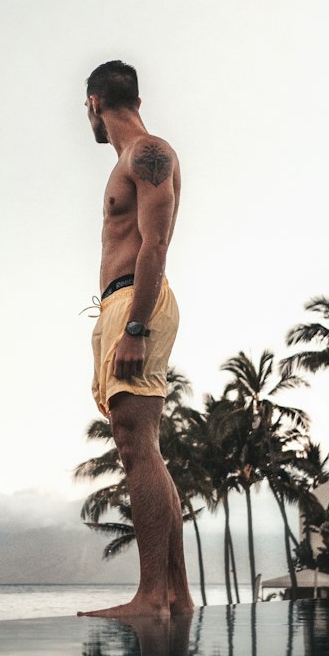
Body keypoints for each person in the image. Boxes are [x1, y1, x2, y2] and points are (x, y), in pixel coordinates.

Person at [79, 61, 193, 619]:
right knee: (144, 448)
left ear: (94, 104)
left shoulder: (149, 153)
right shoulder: (137, 159)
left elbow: (155, 244)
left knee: (135, 446)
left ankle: (151, 596)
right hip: (123, 304)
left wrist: (135, 327)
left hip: (137, 304)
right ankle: (175, 593)